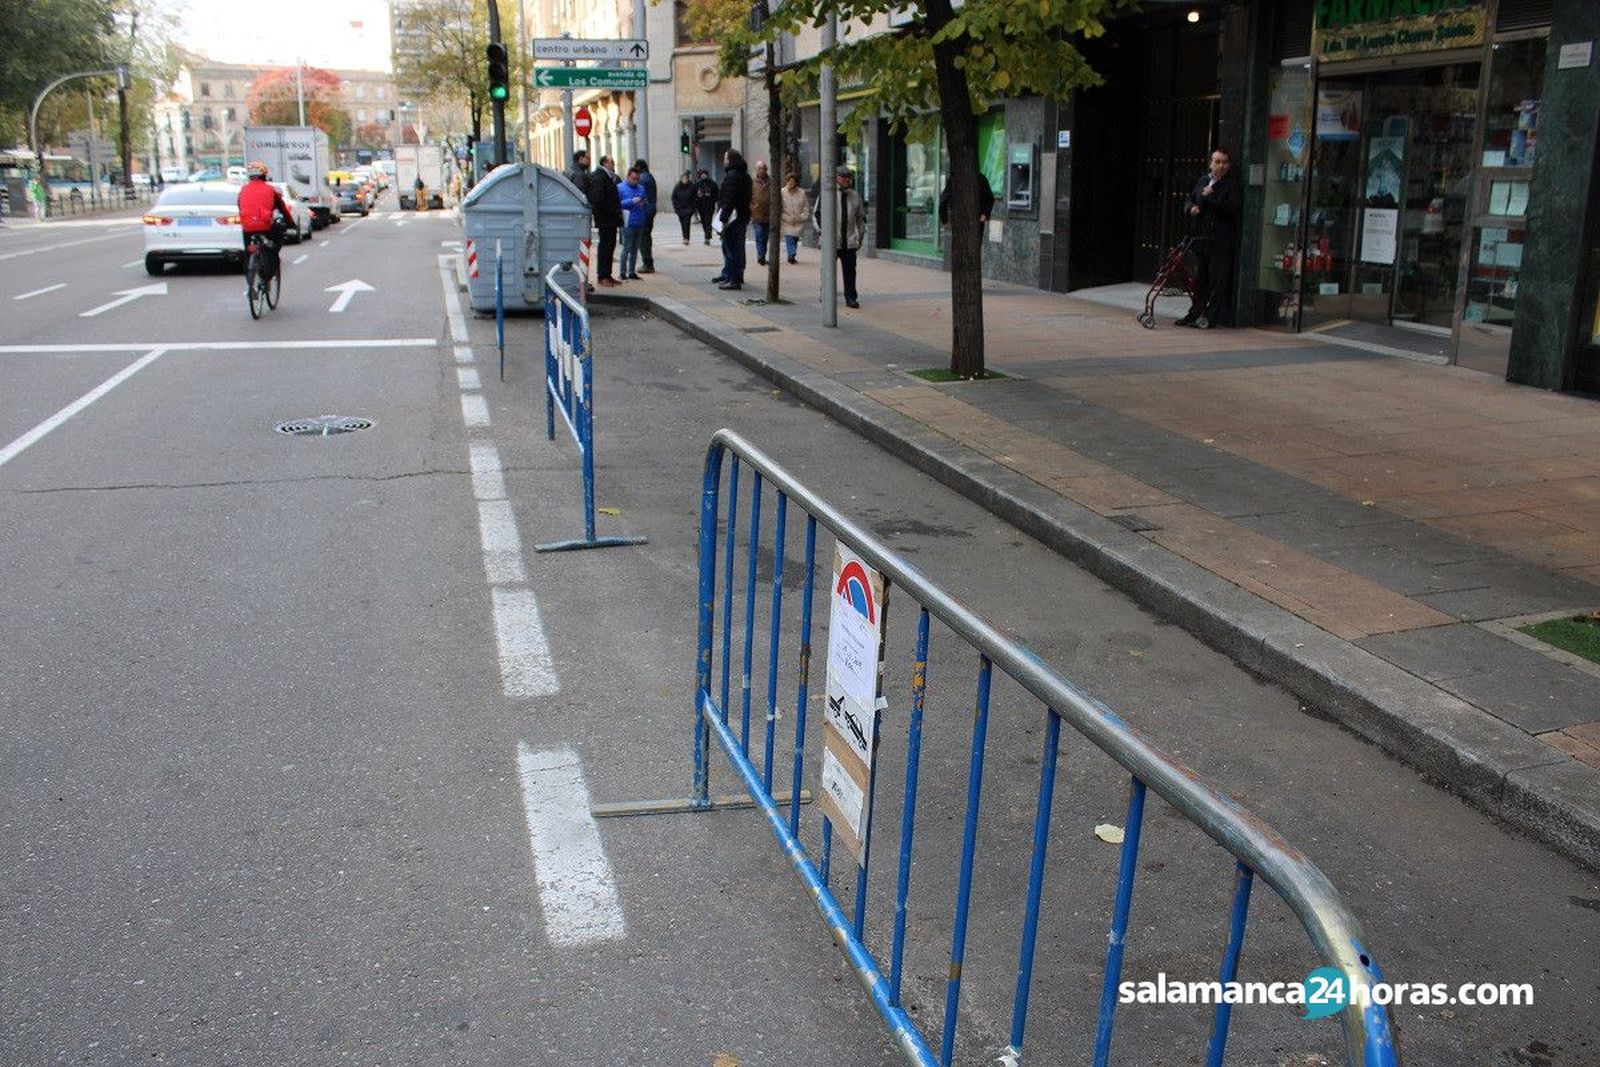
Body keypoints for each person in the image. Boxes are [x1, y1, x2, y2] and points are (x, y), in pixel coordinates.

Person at [1177, 147, 1242, 328]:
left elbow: (1231, 208)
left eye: (1224, 162)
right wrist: (1191, 208)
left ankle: (1211, 317)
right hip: (1202, 238)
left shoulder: (1232, 184)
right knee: (1200, 280)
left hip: (1220, 241)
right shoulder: (1203, 180)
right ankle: (1194, 312)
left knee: (1217, 281)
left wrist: (1210, 198)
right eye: (1217, 161)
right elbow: (1190, 199)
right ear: (1211, 163)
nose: (1220, 166)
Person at [813, 165, 866, 308]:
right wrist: (823, 233)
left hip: (849, 241)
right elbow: (817, 214)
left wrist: (860, 236)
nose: (847, 179)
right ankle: (825, 294)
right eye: (843, 177)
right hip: (831, 241)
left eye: (849, 177)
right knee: (827, 269)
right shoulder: (827, 194)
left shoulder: (854, 195)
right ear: (836, 177)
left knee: (850, 271)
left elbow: (860, 217)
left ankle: (851, 298)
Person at [237, 160, 298, 278]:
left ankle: (250, 283)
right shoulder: (271, 189)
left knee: (248, 253)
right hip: (265, 225)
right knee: (277, 237)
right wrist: (291, 224)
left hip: (247, 227)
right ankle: (272, 262)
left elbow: (240, 207)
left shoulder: (242, 190)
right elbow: (283, 209)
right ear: (264, 175)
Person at [713, 149, 753, 290]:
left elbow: (729, 200)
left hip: (733, 219)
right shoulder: (745, 176)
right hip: (742, 216)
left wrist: (723, 218)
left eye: (725, 158)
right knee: (738, 248)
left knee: (731, 249)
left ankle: (733, 279)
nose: (724, 161)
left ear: (731, 160)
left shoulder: (731, 176)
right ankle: (734, 276)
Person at [587, 154, 623, 287]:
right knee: (605, 247)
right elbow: (598, 199)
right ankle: (602, 276)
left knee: (610, 246)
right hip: (606, 219)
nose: (614, 164)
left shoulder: (607, 176)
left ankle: (607, 274)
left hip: (610, 218)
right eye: (611, 162)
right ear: (605, 163)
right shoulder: (600, 176)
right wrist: (612, 211)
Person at [617, 166, 649, 281]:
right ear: (628, 176)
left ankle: (631, 271)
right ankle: (622, 272)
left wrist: (644, 204)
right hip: (627, 222)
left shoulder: (641, 188)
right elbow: (618, 204)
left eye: (637, 179)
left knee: (635, 249)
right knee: (627, 248)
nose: (635, 181)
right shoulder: (620, 188)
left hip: (639, 221)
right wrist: (632, 201)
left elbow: (645, 201)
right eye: (633, 178)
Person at [780, 172, 808, 265]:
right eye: (789, 181)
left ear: (796, 182)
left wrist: (803, 216)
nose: (790, 183)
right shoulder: (782, 192)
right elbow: (779, 207)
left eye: (792, 182)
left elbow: (806, 206)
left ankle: (792, 255)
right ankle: (791, 255)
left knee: (794, 239)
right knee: (789, 238)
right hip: (787, 220)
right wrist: (783, 216)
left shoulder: (802, 192)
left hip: (798, 221)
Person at [634, 159, 657, 273]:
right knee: (646, 236)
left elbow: (639, 196)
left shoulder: (642, 179)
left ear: (638, 167)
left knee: (643, 238)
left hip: (644, 211)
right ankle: (648, 263)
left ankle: (647, 264)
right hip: (650, 210)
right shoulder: (649, 177)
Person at [749, 160, 772, 267]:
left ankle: (762, 255)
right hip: (756, 214)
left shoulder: (771, 182)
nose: (761, 170)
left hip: (768, 214)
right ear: (756, 170)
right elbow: (749, 197)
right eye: (759, 168)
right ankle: (761, 256)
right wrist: (751, 209)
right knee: (759, 235)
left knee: (765, 237)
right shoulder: (752, 182)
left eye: (763, 168)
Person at [671, 171, 697, 245]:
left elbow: (695, 197)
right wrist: (676, 208)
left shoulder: (692, 186)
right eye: (683, 178)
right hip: (680, 208)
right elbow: (673, 197)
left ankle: (686, 238)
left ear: (688, 179)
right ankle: (684, 237)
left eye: (686, 178)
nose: (685, 180)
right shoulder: (677, 187)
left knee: (686, 223)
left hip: (689, 208)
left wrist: (693, 208)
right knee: (682, 223)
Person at [693, 168, 718, 245]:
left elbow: (716, 193)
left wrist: (713, 201)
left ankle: (708, 237)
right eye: (702, 174)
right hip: (701, 206)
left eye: (705, 174)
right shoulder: (697, 184)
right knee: (704, 222)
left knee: (708, 221)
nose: (703, 175)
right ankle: (706, 235)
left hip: (709, 206)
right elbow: (694, 194)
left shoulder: (712, 183)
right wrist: (696, 204)